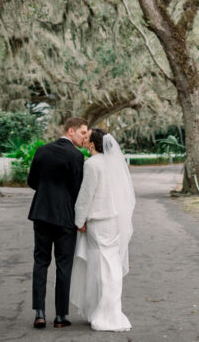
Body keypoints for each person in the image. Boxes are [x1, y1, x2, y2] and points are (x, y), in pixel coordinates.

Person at [69, 128, 134, 332]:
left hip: (98, 221)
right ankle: (111, 310)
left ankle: (104, 312)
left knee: (99, 268)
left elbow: (86, 195)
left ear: (92, 144)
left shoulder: (92, 164)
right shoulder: (114, 163)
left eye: (87, 138)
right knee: (112, 265)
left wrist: (79, 220)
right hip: (114, 220)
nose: (84, 140)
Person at [28, 117, 89, 329]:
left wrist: (47, 193)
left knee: (41, 262)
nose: (84, 137)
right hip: (65, 218)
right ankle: (61, 315)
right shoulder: (76, 156)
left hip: (42, 214)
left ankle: (40, 313)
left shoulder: (41, 151)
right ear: (70, 131)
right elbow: (79, 190)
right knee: (64, 265)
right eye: (82, 133)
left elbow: (32, 182)